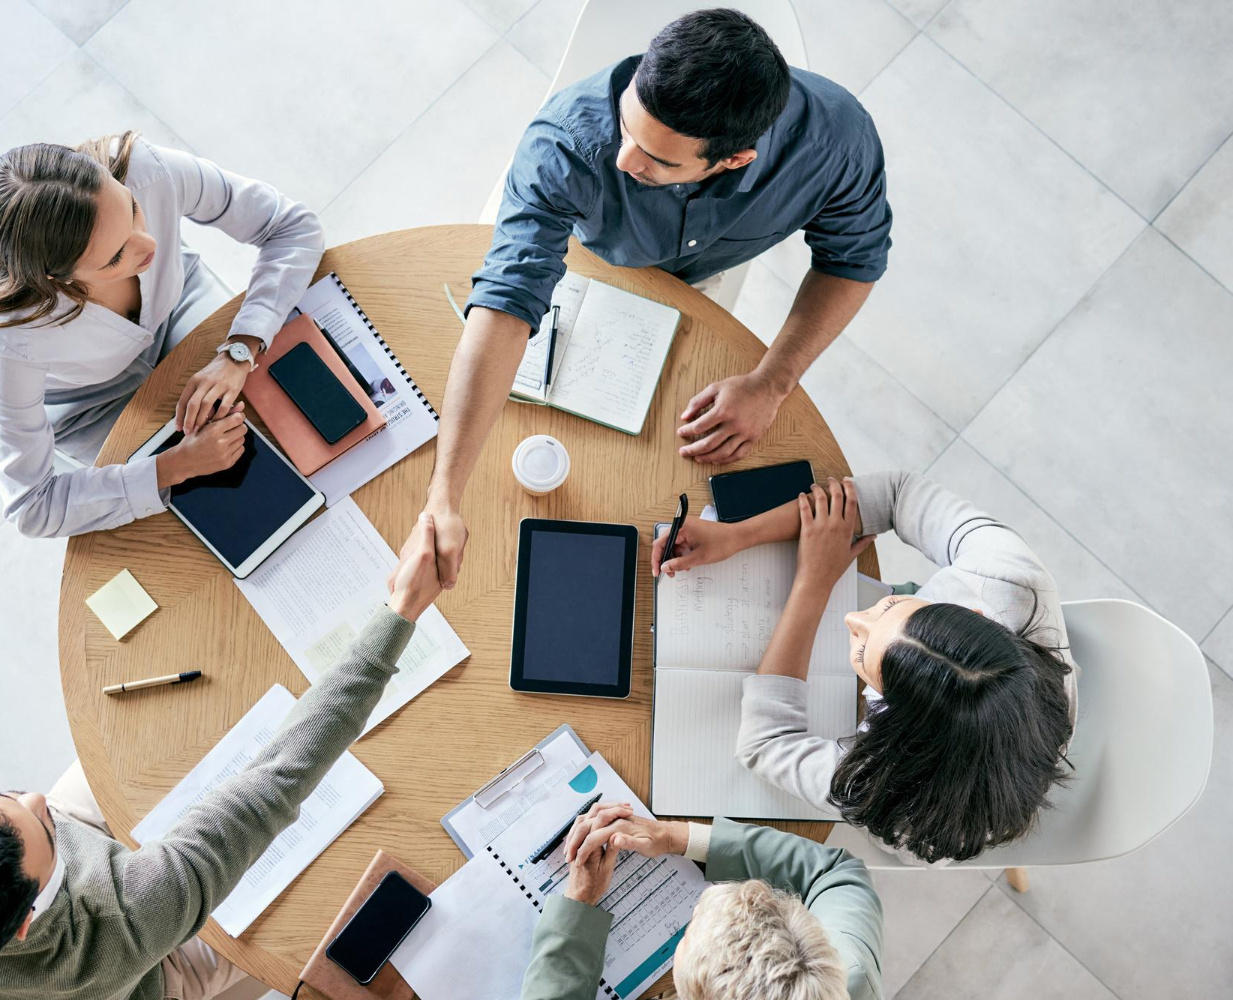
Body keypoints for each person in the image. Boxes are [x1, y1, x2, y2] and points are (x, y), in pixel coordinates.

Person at [0, 516, 446, 1000]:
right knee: (304, 918)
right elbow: (278, 781)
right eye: (40, 825)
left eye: (7, 796)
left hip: (42, 908)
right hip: (150, 976)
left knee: (176, 725)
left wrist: (44, 839)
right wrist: (400, 616)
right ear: (26, 924)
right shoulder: (130, 919)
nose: (37, 799)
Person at [399, 9, 891, 589]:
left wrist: (771, 383)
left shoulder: (838, 142)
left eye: (658, 159)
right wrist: (444, 498)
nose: (624, 160)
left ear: (735, 159)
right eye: (628, 127)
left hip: (700, 278)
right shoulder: (567, 144)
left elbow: (853, 263)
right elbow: (508, 299)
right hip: (577, 247)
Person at [652, 473, 1078, 864]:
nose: (853, 620)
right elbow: (898, 494)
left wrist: (814, 583)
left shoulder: (895, 795)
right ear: (974, 615)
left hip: (935, 825)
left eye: (862, 653)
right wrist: (738, 535)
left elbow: (764, 744)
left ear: (896, 722)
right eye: (892, 607)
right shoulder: (1008, 577)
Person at [0, 130, 324, 538]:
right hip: (92, 405)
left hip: (177, 309)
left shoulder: (144, 169)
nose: (149, 243)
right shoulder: (7, 335)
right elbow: (32, 506)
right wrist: (174, 466)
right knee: (228, 515)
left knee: (299, 417)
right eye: (115, 256)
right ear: (55, 280)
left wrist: (241, 348)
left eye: (132, 209)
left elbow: (292, 227)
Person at [520, 802, 882, 1000]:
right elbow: (837, 874)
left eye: (688, 932)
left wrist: (578, 904)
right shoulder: (848, 976)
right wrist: (674, 836)